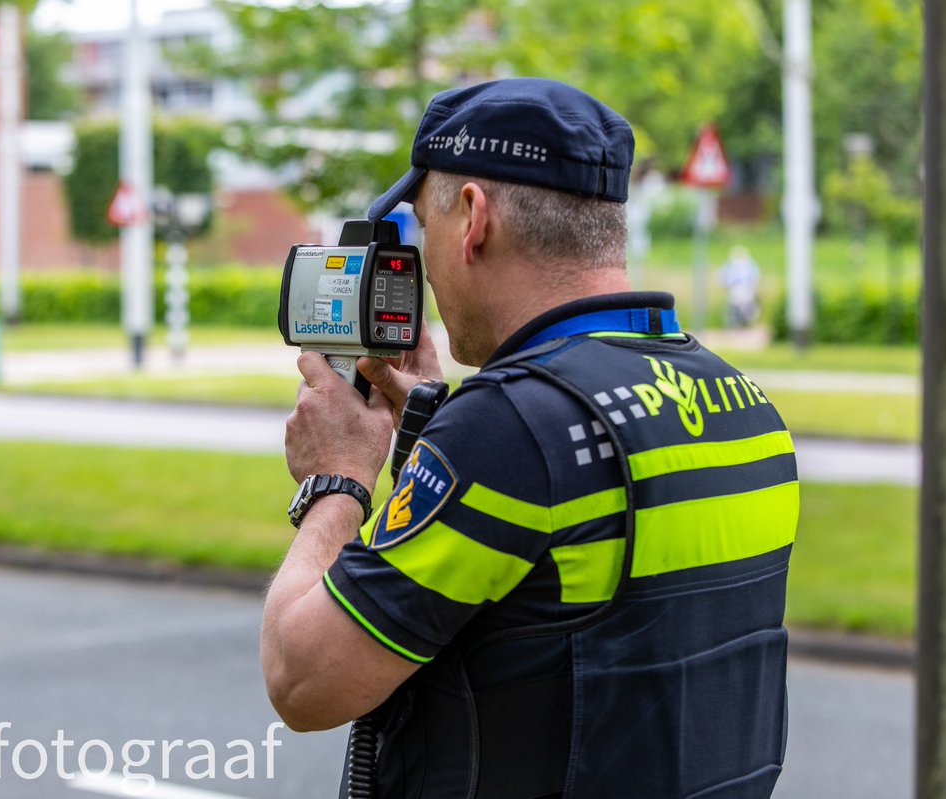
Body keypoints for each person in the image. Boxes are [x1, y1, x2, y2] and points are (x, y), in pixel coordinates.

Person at [263, 78, 798, 798]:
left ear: (473, 218)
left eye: (424, 225)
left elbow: (303, 680)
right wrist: (432, 429)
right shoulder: (745, 403)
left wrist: (339, 480)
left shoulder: (509, 428)